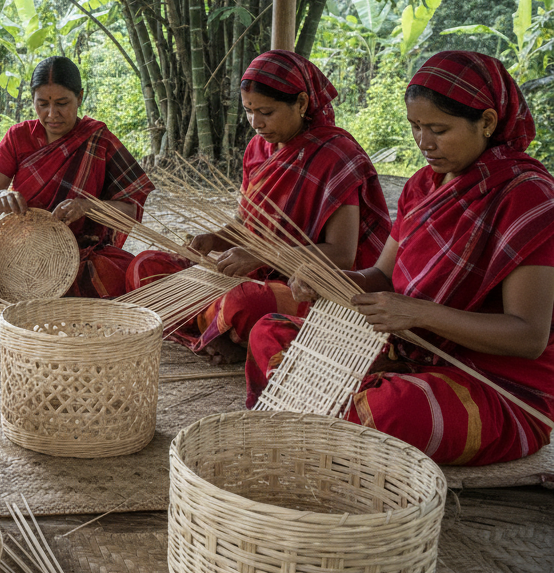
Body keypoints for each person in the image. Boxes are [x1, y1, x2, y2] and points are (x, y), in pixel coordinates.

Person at [248, 51, 554, 466]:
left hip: (495, 384)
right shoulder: (421, 187)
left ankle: (332, 413)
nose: (424, 142)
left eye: (439, 129)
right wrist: (327, 280)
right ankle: (338, 412)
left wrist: (418, 314)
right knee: (269, 331)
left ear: (486, 121)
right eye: (415, 128)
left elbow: (528, 336)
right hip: (408, 352)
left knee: (391, 411)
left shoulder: (526, 195)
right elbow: (380, 276)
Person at [125, 50, 391, 363]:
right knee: (146, 267)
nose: (256, 122)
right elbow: (245, 224)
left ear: (302, 103)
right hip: (256, 273)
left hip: (307, 287)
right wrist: (214, 239)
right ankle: (223, 330)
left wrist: (261, 255)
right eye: (249, 110)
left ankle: (222, 327)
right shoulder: (258, 149)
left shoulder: (336, 156)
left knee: (245, 303)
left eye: (266, 111)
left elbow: (342, 254)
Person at [0, 56, 152, 300]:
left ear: (80, 97)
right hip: (20, 252)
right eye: (42, 104)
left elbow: (131, 211)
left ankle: (29, 295)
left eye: (62, 103)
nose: (52, 114)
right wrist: (0, 198)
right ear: (33, 101)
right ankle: (47, 296)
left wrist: (88, 206)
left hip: (81, 254)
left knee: (127, 274)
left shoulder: (99, 141)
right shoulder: (18, 137)